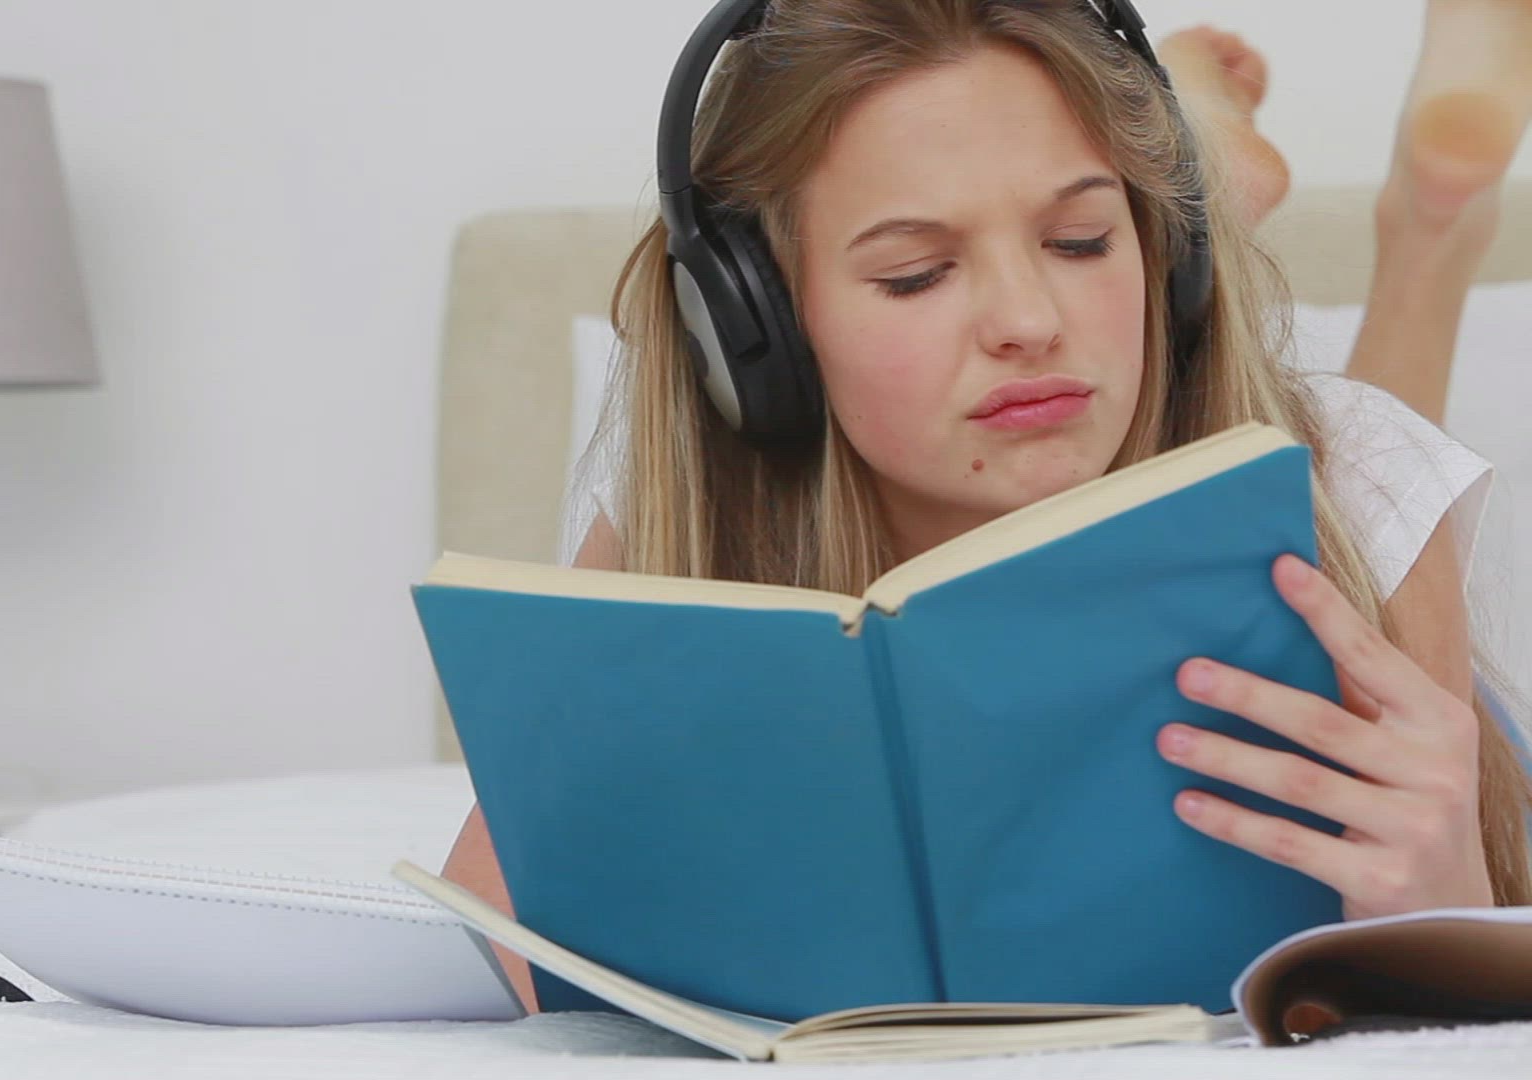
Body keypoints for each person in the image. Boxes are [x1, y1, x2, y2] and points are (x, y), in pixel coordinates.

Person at [445, 0, 1532, 1012]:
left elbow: (1457, 1007)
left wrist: (1445, 908)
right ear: (755, 328)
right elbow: (503, 936)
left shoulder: (1354, 479)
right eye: (917, 272)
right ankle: (1199, 157)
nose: (1026, 321)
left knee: (1336, 443)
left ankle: (1427, 229)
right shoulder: (690, 506)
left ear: (1168, 254)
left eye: (1081, 241)